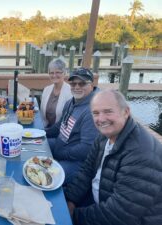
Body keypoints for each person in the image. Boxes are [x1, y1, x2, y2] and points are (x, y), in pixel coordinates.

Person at [64, 89, 162, 225]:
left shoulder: (142, 155)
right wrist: (70, 200)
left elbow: (119, 214)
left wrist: (72, 215)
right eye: (96, 113)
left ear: (126, 112)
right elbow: (86, 172)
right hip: (99, 199)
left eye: (108, 111)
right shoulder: (104, 136)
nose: (101, 119)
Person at [46, 67, 99, 184]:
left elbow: (86, 148)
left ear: (91, 85)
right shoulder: (71, 102)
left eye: (82, 83)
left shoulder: (92, 111)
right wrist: (43, 133)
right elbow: (60, 125)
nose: (77, 87)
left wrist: (59, 153)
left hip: (78, 162)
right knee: (38, 144)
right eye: (73, 83)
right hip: (62, 145)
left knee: (49, 177)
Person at [40, 57, 72, 128]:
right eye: (51, 73)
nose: (54, 75)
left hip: (61, 131)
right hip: (46, 128)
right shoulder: (46, 89)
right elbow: (42, 115)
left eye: (58, 72)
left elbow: (68, 119)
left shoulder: (70, 92)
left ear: (64, 73)